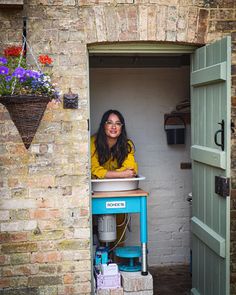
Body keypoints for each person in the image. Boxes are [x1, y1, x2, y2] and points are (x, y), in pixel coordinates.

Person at [91, 109, 138, 179]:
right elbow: (93, 170)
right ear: (103, 125)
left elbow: (131, 168)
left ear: (122, 127)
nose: (114, 127)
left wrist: (110, 174)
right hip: (97, 186)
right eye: (109, 122)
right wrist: (122, 174)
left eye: (118, 123)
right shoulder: (93, 142)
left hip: (120, 185)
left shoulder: (127, 144)